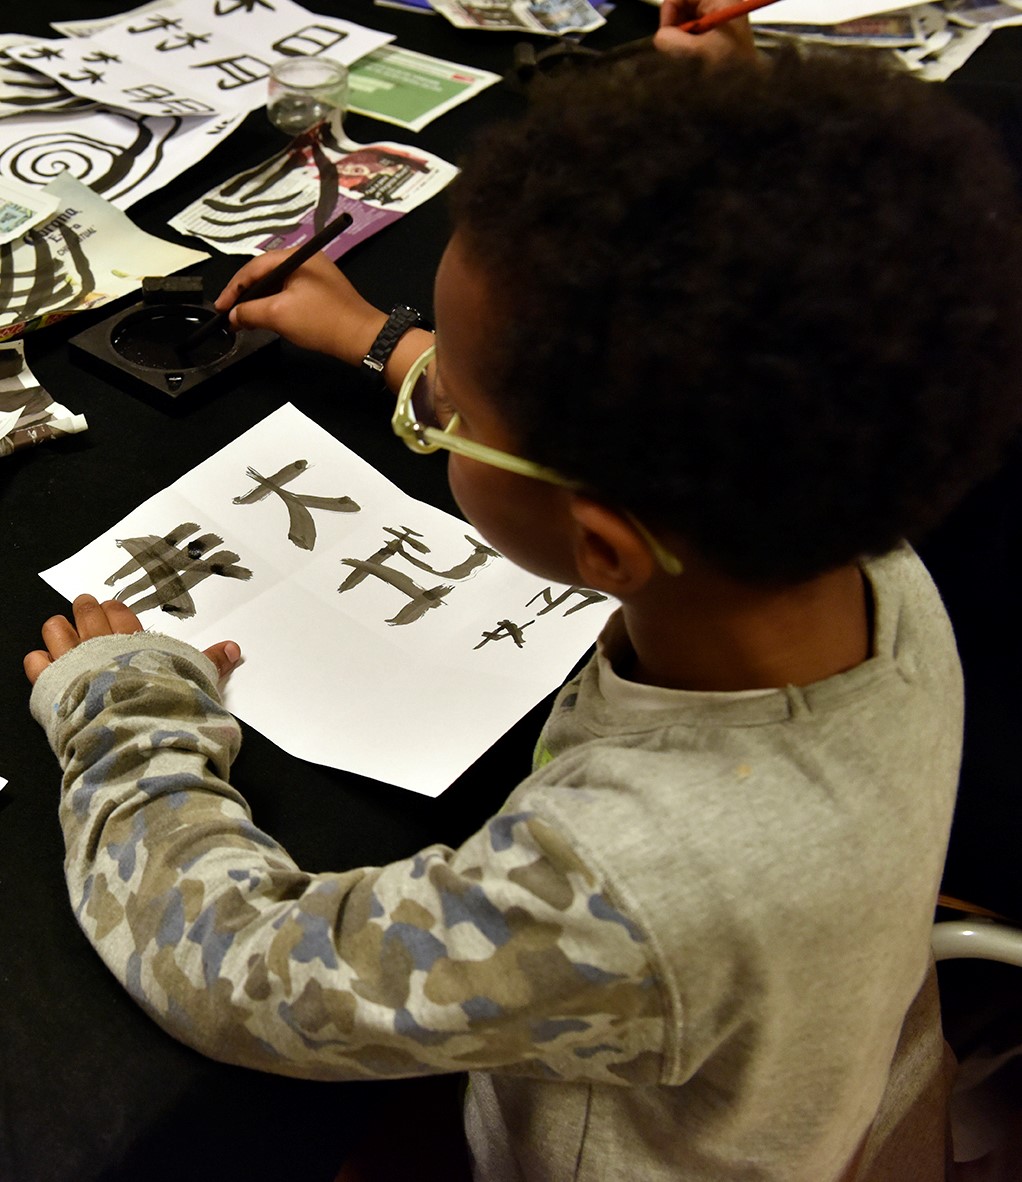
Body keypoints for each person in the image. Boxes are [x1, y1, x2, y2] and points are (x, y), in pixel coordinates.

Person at [24, 37, 1022, 1182]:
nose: (430, 391)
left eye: (446, 403)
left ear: (600, 546)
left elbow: (238, 975)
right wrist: (380, 343)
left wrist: (124, 713)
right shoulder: (865, 552)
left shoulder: (622, 885)